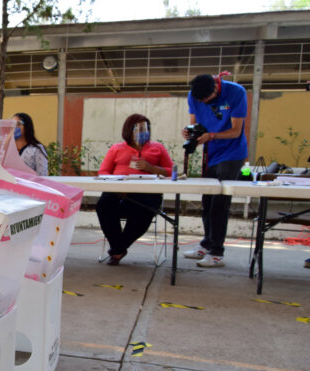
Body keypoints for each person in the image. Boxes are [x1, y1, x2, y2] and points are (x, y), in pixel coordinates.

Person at [182, 72, 248, 268]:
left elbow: (236, 131)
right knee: (207, 200)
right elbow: (196, 123)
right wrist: (190, 132)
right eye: (199, 99)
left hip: (232, 154)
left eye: (207, 99)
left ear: (216, 88)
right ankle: (207, 244)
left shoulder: (236, 92)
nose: (202, 102)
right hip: (211, 154)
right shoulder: (193, 95)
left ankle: (217, 252)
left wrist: (211, 136)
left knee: (220, 203)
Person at [96, 114, 173, 265]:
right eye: (138, 129)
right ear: (129, 130)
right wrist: (117, 185)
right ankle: (118, 249)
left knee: (144, 211)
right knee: (103, 205)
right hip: (118, 192)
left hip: (146, 194)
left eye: (146, 128)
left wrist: (151, 168)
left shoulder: (158, 148)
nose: (143, 132)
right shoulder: (116, 149)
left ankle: (117, 249)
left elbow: (171, 171)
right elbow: (103, 171)